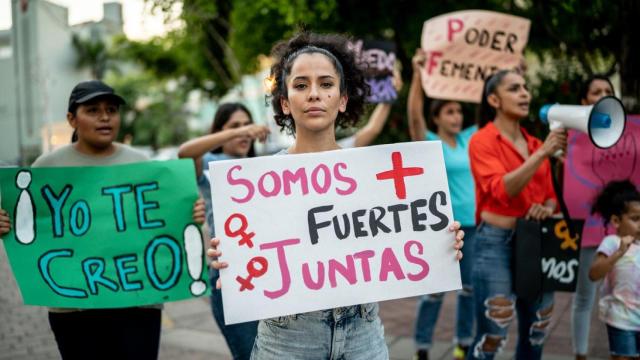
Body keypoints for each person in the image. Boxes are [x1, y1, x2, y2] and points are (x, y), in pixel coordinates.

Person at [207, 32, 465, 360]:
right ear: (285, 102)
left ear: (342, 99)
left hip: (363, 333)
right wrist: (230, 258)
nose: (314, 94)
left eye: (326, 84)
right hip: (287, 338)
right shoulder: (255, 186)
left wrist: (440, 243)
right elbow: (249, 255)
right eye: (301, 85)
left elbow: (402, 233)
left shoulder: (371, 172)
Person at [0, 80, 206, 360]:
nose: (105, 117)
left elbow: (167, 217)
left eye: (111, 109)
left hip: (138, 303)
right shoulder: (47, 168)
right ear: (72, 119)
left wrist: (189, 214)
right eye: (93, 110)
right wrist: (5, 224)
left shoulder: (141, 163)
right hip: (74, 308)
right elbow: (28, 225)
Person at [467, 70, 567, 360]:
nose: (525, 93)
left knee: (536, 332)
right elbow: (501, 190)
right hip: (495, 244)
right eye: (515, 89)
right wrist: (542, 155)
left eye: (525, 87)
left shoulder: (536, 143)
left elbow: (550, 197)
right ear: (494, 99)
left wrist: (545, 208)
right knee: (492, 336)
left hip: (536, 241)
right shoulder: (482, 141)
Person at [178, 102, 269, 360]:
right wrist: (238, 133)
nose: (244, 133)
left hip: (266, 273)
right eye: (235, 126)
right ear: (219, 131)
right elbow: (184, 153)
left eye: (247, 125)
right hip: (228, 278)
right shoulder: (211, 164)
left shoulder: (264, 165)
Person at [408, 48, 477, 360]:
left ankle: (464, 343)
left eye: (458, 112)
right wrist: (417, 75)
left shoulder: (469, 139)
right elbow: (414, 116)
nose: (456, 116)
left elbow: (491, 112)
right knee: (434, 293)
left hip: (474, 229)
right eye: (449, 112)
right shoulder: (430, 142)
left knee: (470, 291)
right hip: (443, 229)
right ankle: (422, 347)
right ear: (437, 118)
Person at [568, 75, 615, 360]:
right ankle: (580, 355)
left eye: (607, 91)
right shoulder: (572, 135)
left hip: (625, 228)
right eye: (595, 92)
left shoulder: (629, 133)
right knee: (585, 295)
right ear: (584, 101)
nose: (602, 95)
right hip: (590, 227)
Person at [588, 180, 640, 360]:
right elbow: (594, 274)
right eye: (635, 219)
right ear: (616, 221)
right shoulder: (612, 243)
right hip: (621, 318)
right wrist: (618, 253)